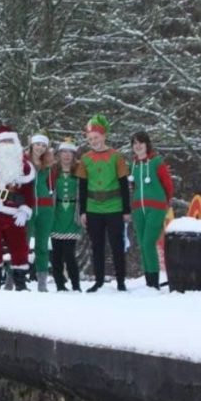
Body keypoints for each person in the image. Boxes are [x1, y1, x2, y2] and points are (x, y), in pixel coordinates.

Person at [75, 115, 131, 292]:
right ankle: (98, 281)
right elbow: (82, 187)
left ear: (104, 136)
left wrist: (126, 210)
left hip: (114, 206)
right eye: (90, 139)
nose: (94, 141)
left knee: (117, 244)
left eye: (96, 137)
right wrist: (83, 211)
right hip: (93, 207)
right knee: (96, 245)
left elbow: (124, 184)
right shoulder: (85, 159)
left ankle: (121, 280)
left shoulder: (116, 157)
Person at [0, 126, 35, 291]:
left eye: (10, 141)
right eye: (3, 141)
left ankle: (20, 283)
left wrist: (25, 209)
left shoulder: (24, 166)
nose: (7, 145)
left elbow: (28, 192)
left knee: (20, 247)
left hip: (13, 213)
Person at [129, 131, 174, 290]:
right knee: (142, 244)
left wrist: (166, 201)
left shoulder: (156, 162)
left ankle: (154, 282)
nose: (138, 146)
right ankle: (149, 280)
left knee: (148, 242)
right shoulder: (133, 165)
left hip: (156, 207)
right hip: (138, 208)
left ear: (147, 144)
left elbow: (167, 184)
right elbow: (134, 186)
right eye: (135, 143)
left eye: (140, 142)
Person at [50, 139, 83, 292]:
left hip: (72, 214)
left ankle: (76, 286)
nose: (67, 155)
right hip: (56, 214)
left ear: (74, 155)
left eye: (70, 152)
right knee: (56, 254)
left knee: (69, 254)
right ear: (59, 154)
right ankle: (60, 285)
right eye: (64, 152)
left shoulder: (80, 172)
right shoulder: (52, 172)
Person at [27, 134, 55, 292]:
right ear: (31, 145)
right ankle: (13, 278)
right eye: (37, 144)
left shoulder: (49, 164)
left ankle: (42, 283)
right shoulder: (22, 162)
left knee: (42, 246)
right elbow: (10, 184)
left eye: (43, 146)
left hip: (45, 208)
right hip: (26, 207)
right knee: (21, 244)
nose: (40, 148)